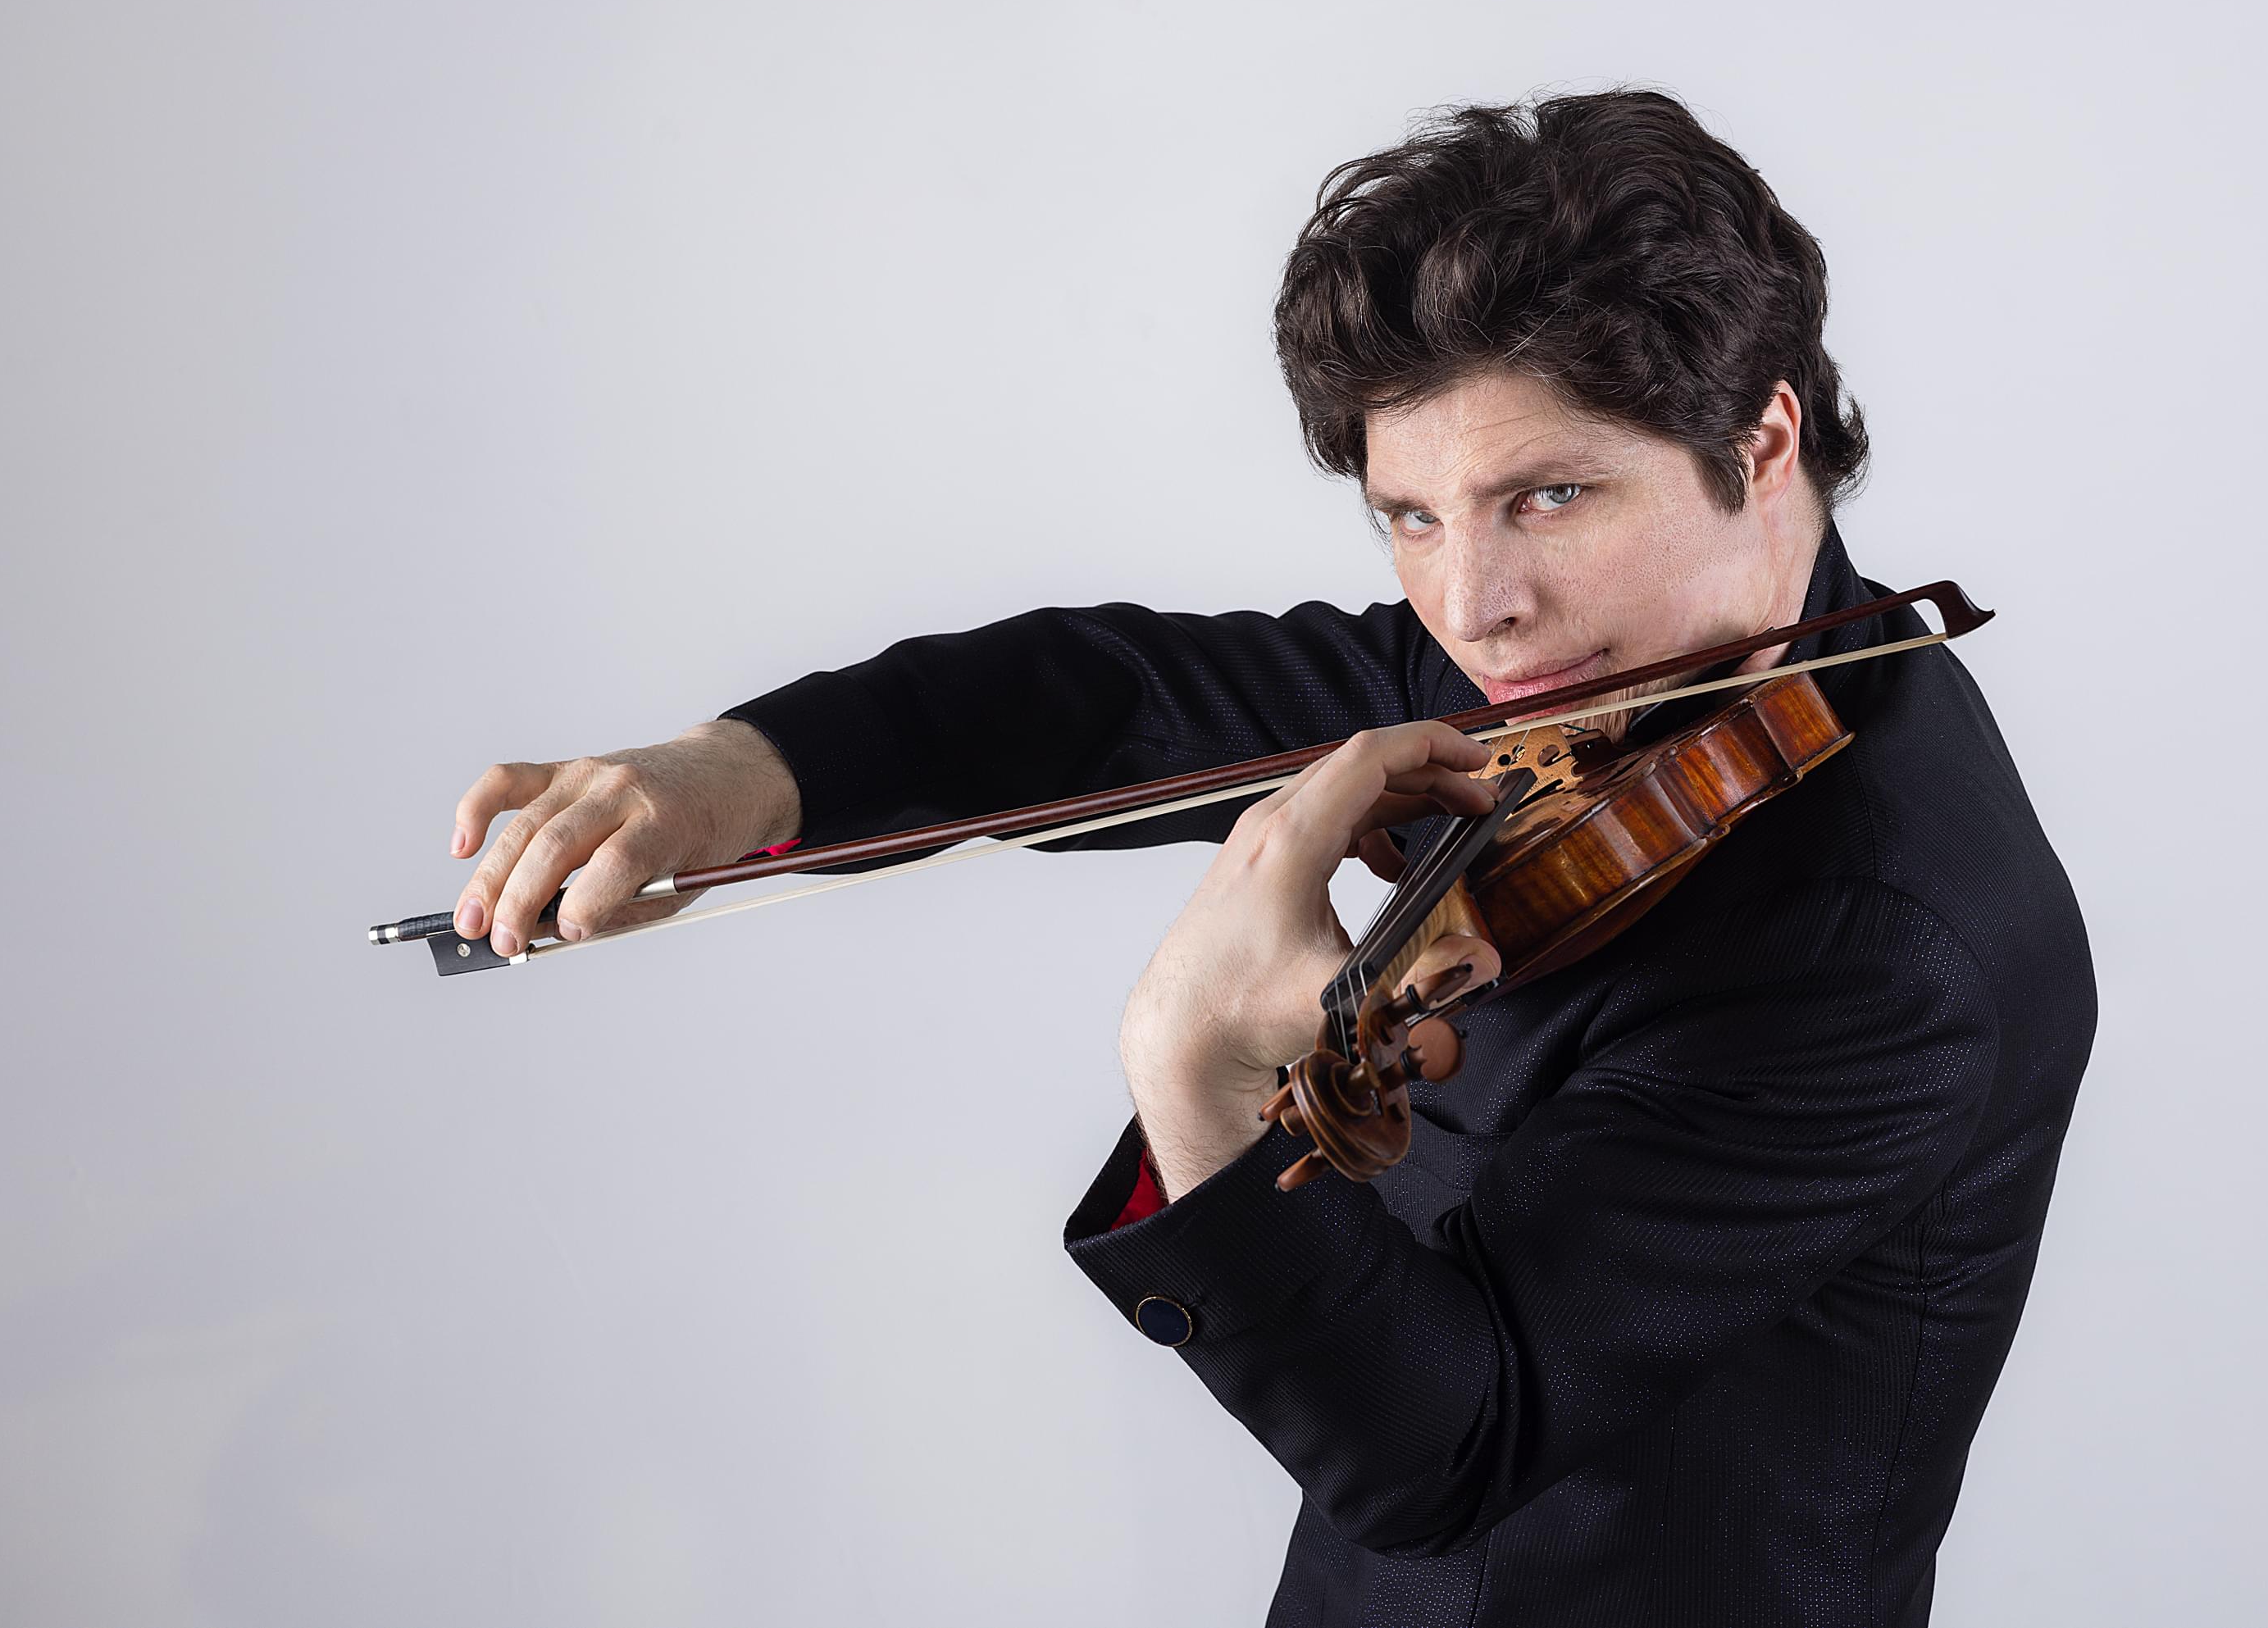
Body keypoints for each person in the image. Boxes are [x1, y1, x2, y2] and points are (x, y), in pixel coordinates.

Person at [440, 89, 2094, 1626]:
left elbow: (1450, 1445)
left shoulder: (1877, 941)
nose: (1473, 608)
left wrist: (1197, 1079)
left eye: (1550, 496)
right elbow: (1119, 699)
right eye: (1413, 515)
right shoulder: (1597, 671)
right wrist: (736, 776)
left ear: (1763, 439)